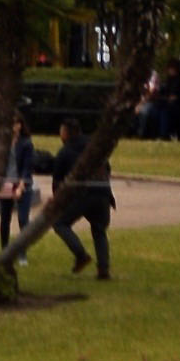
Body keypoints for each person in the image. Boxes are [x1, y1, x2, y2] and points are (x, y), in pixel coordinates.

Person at [50, 116, 114, 277]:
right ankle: (103, 269)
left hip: (82, 194)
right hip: (103, 192)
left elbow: (57, 181)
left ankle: (81, 255)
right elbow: (107, 168)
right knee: (99, 230)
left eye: (61, 132)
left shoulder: (65, 152)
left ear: (65, 133)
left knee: (60, 223)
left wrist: (58, 201)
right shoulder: (94, 146)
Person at [0, 111, 37, 250]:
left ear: (19, 125)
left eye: (14, 123)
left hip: (21, 183)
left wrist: (21, 186)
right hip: (6, 183)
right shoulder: (3, 142)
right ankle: (5, 249)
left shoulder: (26, 144)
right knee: (5, 218)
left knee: (22, 219)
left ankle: (22, 252)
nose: (11, 126)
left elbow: (27, 167)